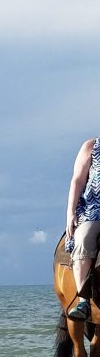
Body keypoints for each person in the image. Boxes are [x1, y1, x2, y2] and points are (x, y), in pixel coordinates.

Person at [65, 137, 100, 320]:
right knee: (84, 238)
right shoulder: (92, 146)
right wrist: (70, 213)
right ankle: (83, 301)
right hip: (95, 210)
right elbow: (77, 181)